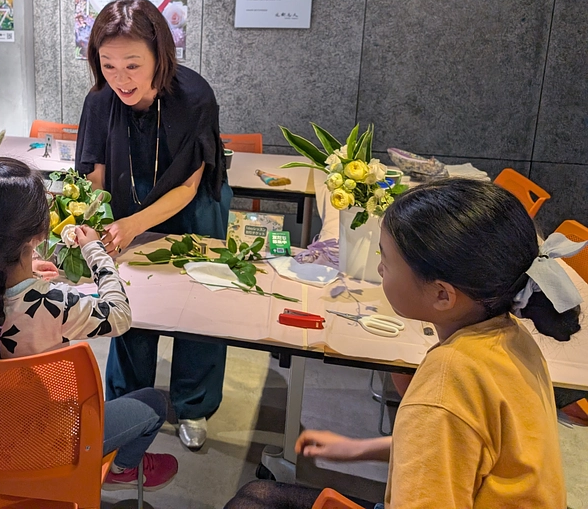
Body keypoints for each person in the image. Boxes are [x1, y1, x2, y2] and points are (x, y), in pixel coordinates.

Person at [225, 179, 581, 509]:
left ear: (442, 294)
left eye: (387, 260)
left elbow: (441, 426)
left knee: (253, 500)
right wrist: (359, 448)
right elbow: (460, 445)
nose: (380, 270)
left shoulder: (446, 382)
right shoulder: (510, 335)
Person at [0, 158, 179, 491]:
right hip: (48, 442)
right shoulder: (54, 303)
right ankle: (122, 469)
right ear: (39, 233)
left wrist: (23, 272)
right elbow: (119, 315)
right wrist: (96, 251)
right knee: (155, 402)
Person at [75, 0, 233, 450]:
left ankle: (194, 404)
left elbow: (186, 188)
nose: (120, 78)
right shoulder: (101, 100)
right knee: (129, 299)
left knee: (198, 305)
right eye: (108, 65)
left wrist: (133, 223)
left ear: (159, 56)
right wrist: (102, 223)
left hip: (193, 203)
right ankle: (130, 402)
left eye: (132, 65)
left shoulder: (194, 97)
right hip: (128, 196)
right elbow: (96, 177)